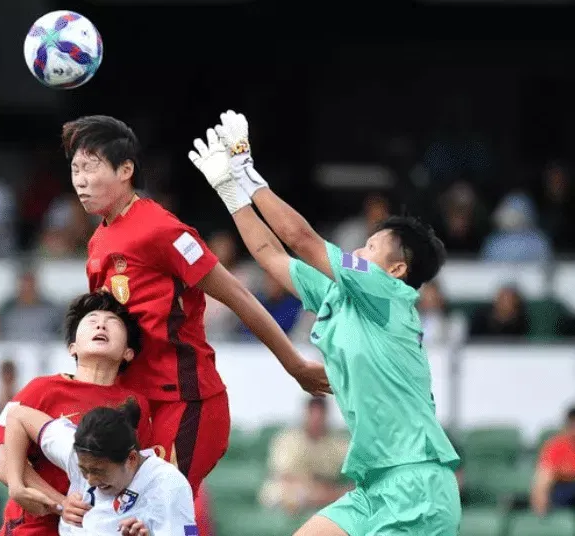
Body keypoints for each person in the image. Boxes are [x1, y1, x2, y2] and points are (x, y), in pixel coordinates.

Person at [188, 110, 461, 535]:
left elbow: (301, 240)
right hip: (370, 488)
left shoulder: (389, 296)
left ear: (398, 271)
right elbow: (270, 254)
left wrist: (245, 167)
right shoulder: (337, 295)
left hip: (417, 487)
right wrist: (229, 190)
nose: (360, 248)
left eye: (371, 246)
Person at [60, 115, 329, 497]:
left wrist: (294, 364)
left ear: (125, 170)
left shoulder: (161, 229)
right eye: (75, 170)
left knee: (157, 507)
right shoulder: (97, 244)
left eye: (91, 167)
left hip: (187, 403)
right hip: (136, 407)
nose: (81, 181)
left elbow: (237, 295)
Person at [0, 292, 154, 535]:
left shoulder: (135, 405)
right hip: (31, 528)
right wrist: (60, 503)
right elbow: (3, 466)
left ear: (128, 352)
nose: (100, 324)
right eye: (91, 320)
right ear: (72, 347)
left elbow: (135, 476)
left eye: (113, 322)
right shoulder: (40, 389)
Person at [3, 400, 196, 536]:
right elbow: (16, 416)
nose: (90, 480)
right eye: (83, 470)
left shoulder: (168, 486)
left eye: (98, 471)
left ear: (131, 458)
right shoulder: (82, 451)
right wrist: (16, 486)